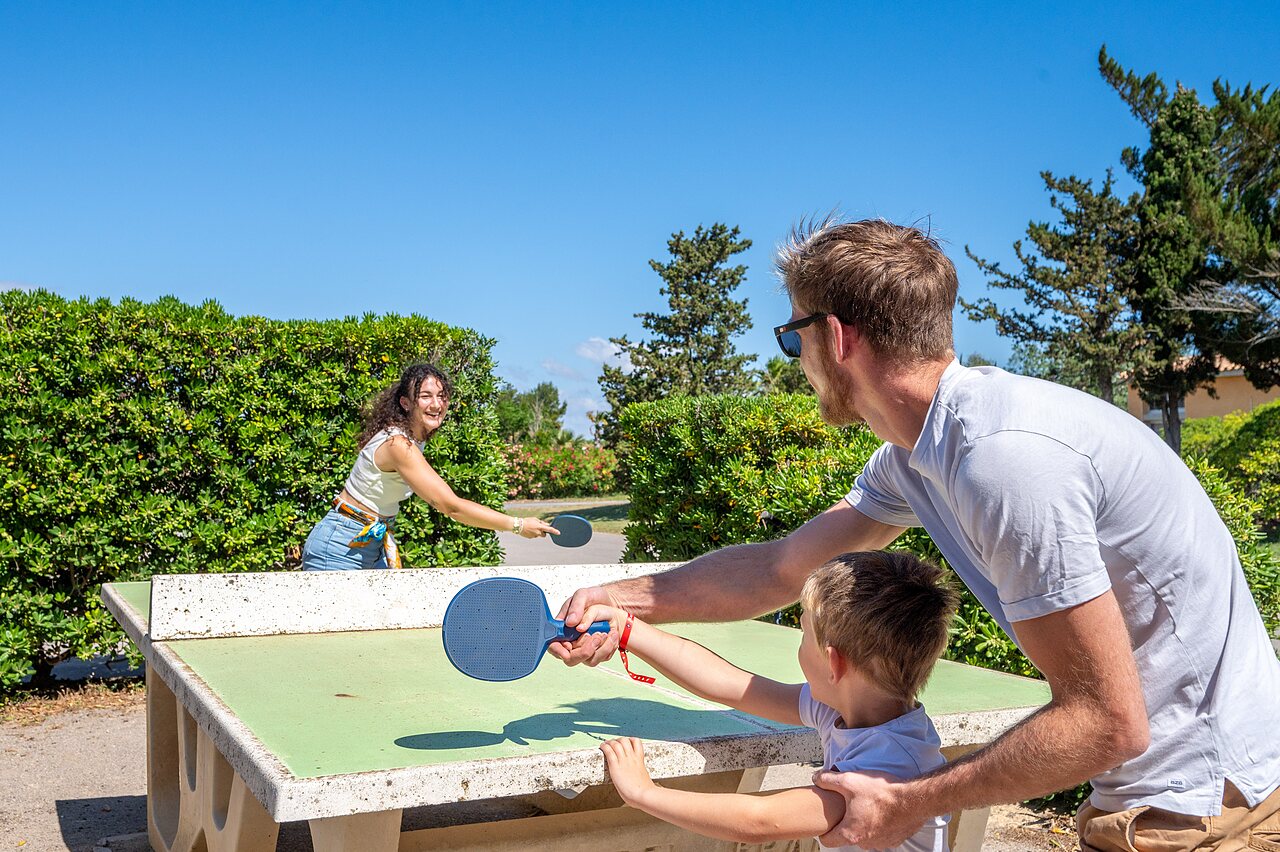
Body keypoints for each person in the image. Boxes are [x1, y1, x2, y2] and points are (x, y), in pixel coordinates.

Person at [552, 219, 1280, 850]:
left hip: (1201, 806)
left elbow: (1107, 722)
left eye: (790, 336)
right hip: (1163, 798)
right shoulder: (916, 457)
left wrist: (907, 802)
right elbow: (780, 568)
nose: (795, 362)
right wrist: (621, 602)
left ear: (834, 337)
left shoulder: (1005, 463)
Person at [590, 550, 958, 851]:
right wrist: (628, 628)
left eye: (803, 633)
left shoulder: (886, 769)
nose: (799, 644)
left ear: (833, 663)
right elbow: (730, 685)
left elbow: (758, 820)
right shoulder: (842, 711)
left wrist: (643, 793)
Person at [302, 363, 556, 570]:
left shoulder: (413, 438)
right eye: (425, 396)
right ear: (406, 403)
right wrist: (518, 526)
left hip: (370, 540)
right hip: (339, 547)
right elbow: (451, 506)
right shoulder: (398, 445)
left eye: (441, 396)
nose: (436, 405)